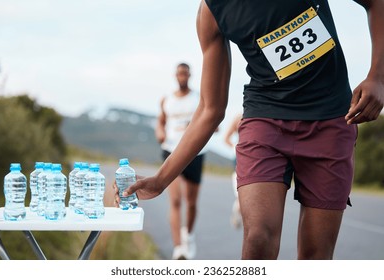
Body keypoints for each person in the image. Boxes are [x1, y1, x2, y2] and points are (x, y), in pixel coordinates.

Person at [116, 0, 384, 260]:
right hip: (265, 122)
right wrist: (161, 179)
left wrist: (377, 77)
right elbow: (211, 109)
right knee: (258, 238)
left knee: (316, 255)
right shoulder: (212, 11)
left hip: (330, 121)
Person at [155, 63, 205, 260]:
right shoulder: (166, 99)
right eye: (179, 73)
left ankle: (189, 236)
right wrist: (160, 131)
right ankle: (178, 248)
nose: (182, 76)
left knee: (190, 202)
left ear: (190, 75)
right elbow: (161, 121)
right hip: (171, 150)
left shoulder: (198, 98)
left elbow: (211, 117)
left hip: (195, 151)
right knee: (175, 201)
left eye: (185, 73)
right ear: (175, 76)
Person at [224, 113, 242, 229]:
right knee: (241, 193)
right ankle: (238, 212)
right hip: (239, 157)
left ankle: (239, 211)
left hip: (256, 156)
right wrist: (236, 147)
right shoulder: (238, 117)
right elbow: (226, 138)